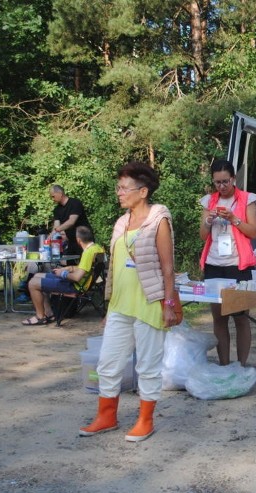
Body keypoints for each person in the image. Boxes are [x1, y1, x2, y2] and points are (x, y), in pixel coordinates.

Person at [79, 162, 177, 442]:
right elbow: (115, 269)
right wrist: (109, 307)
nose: (119, 192)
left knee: (147, 365)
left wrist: (169, 304)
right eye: (118, 187)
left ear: (143, 191)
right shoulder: (121, 222)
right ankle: (106, 416)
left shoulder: (159, 219)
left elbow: (168, 267)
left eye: (124, 187)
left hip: (149, 302)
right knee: (108, 363)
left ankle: (145, 420)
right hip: (120, 305)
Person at [199, 160, 256, 365]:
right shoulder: (209, 201)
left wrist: (234, 218)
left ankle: (241, 365)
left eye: (225, 181)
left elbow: (253, 232)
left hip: (238, 264)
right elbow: (202, 235)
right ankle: (224, 364)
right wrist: (209, 220)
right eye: (217, 182)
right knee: (219, 317)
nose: (221, 186)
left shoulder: (247, 199)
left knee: (240, 317)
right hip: (214, 264)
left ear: (233, 179)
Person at [20, 226, 104, 325]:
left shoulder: (88, 252)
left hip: (75, 286)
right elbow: (86, 268)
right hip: (80, 283)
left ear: (78, 240)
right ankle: (49, 313)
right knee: (38, 275)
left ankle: (40, 317)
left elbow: (77, 277)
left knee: (33, 283)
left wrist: (62, 273)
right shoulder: (97, 248)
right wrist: (69, 268)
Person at [50, 184, 92, 258]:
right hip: (71, 241)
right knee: (70, 264)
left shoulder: (75, 203)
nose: (52, 199)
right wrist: (49, 238)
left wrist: (57, 230)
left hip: (84, 240)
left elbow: (71, 222)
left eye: (53, 196)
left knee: (86, 266)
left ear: (60, 193)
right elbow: (56, 226)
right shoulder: (56, 210)